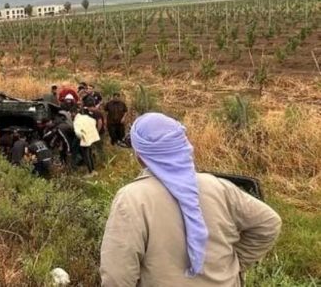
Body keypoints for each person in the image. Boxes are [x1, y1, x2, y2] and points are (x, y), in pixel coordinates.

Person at [100, 113, 282, 286]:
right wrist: (234, 265)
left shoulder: (132, 198)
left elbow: (117, 277)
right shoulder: (218, 186)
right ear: (183, 147)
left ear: (139, 156)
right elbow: (269, 223)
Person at [74, 99, 100, 176]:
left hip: (85, 140)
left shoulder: (77, 121)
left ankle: (90, 172)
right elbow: (93, 121)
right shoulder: (86, 117)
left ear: (73, 113)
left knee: (86, 156)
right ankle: (94, 170)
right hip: (91, 138)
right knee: (90, 154)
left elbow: (77, 132)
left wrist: (81, 137)